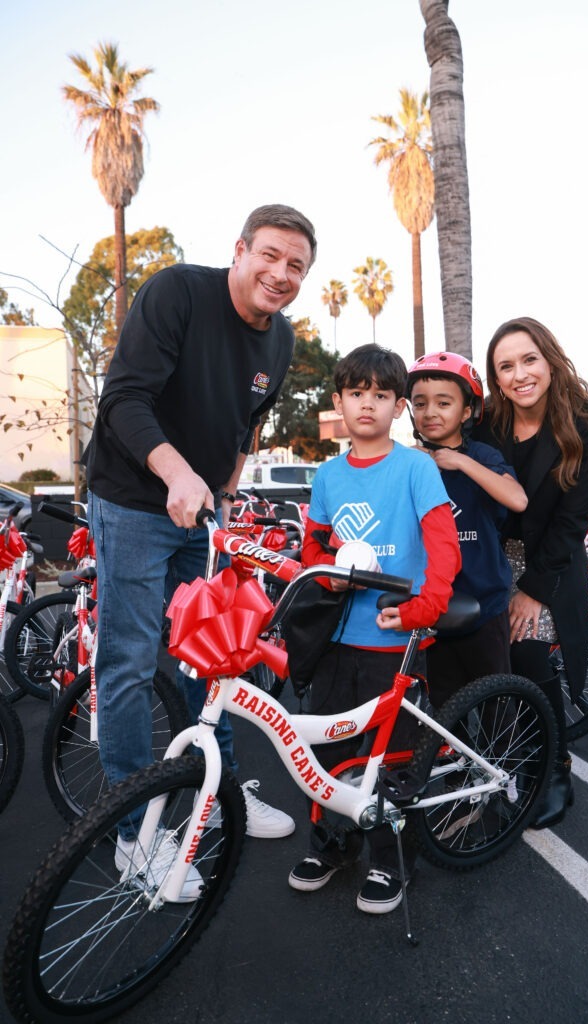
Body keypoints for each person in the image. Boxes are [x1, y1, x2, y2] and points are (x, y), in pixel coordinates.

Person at [86, 204, 317, 897]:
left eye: (296, 266)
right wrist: (178, 474)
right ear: (240, 250)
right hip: (134, 500)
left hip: (203, 513)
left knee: (215, 656)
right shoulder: (178, 292)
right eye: (270, 255)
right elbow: (124, 398)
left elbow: (247, 426)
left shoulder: (280, 339)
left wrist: (224, 490)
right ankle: (134, 834)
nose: (281, 274)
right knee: (130, 660)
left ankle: (216, 796)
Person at [287, 343, 460, 914]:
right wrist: (330, 576)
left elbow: (444, 548)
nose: (367, 404)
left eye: (381, 395)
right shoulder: (328, 475)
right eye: (356, 393)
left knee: (393, 761)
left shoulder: (415, 468)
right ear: (338, 402)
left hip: (396, 645)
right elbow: (314, 548)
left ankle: (391, 861)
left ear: (398, 406)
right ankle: (332, 846)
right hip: (338, 641)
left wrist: (423, 609)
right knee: (328, 753)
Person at [475, 316, 588, 829]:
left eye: (529, 359)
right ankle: (500, 758)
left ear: (550, 361)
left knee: (529, 654)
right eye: (506, 366)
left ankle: (554, 769)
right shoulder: (487, 421)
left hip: (549, 560)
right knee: (486, 658)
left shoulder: (587, 422)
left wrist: (532, 590)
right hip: (490, 555)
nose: (520, 374)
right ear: (495, 377)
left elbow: (572, 521)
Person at [406, 352, 527, 713]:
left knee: (496, 706)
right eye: (420, 404)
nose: (430, 412)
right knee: (443, 710)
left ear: (467, 411)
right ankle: (452, 754)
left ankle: (500, 753)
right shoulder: (407, 461)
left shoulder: (482, 456)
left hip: (485, 605)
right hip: (431, 609)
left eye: (444, 403)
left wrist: (459, 461)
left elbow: (517, 499)